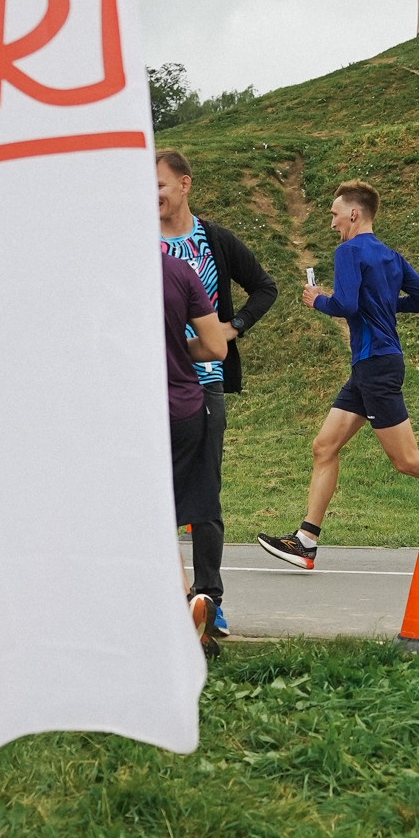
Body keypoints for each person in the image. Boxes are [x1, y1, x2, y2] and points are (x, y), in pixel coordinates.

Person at [256, 179, 419, 567]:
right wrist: (381, 305)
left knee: (407, 459)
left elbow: (345, 305)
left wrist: (318, 301)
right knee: (324, 447)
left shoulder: (348, 251)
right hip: (372, 365)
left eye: (334, 214)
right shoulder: (392, 257)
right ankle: (305, 541)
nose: (332, 223)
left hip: (376, 364)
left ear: (353, 213)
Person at [157, 150, 281, 639]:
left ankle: (211, 600)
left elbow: (264, 287)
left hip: (205, 380)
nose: (152, 196)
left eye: (160, 185)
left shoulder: (214, 240)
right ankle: (168, 597)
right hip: (154, 384)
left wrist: (234, 328)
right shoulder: (139, 243)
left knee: (205, 492)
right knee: (154, 494)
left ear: (185, 184)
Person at [164, 247, 237, 652]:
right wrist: (177, 349)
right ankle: (198, 600)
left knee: (147, 514)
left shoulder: (105, 273)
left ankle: (181, 606)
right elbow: (216, 347)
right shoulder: (179, 271)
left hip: (135, 411)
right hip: (186, 408)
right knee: (194, 505)